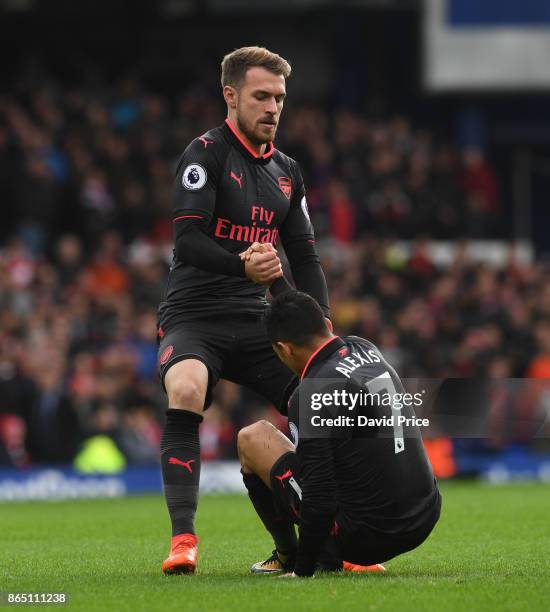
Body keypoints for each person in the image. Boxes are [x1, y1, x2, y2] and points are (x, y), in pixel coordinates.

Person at [157, 47, 330, 574]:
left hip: (256, 318)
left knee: (322, 396)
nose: (273, 107)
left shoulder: (287, 171)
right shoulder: (204, 156)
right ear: (230, 96)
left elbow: (304, 256)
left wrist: (324, 336)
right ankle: (183, 540)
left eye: (279, 97)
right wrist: (243, 266)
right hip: (194, 315)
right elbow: (187, 241)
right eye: (261, 96)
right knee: (186, 387)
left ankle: (326, 535)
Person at [237, 291, 441, 577]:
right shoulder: (365, 347)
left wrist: (304, 570)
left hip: (367, 539)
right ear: (327, 326)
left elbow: (319, 495)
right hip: (425, 515)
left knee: (252, 438)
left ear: (285, 349)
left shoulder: (310, 395)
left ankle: (289, 555)